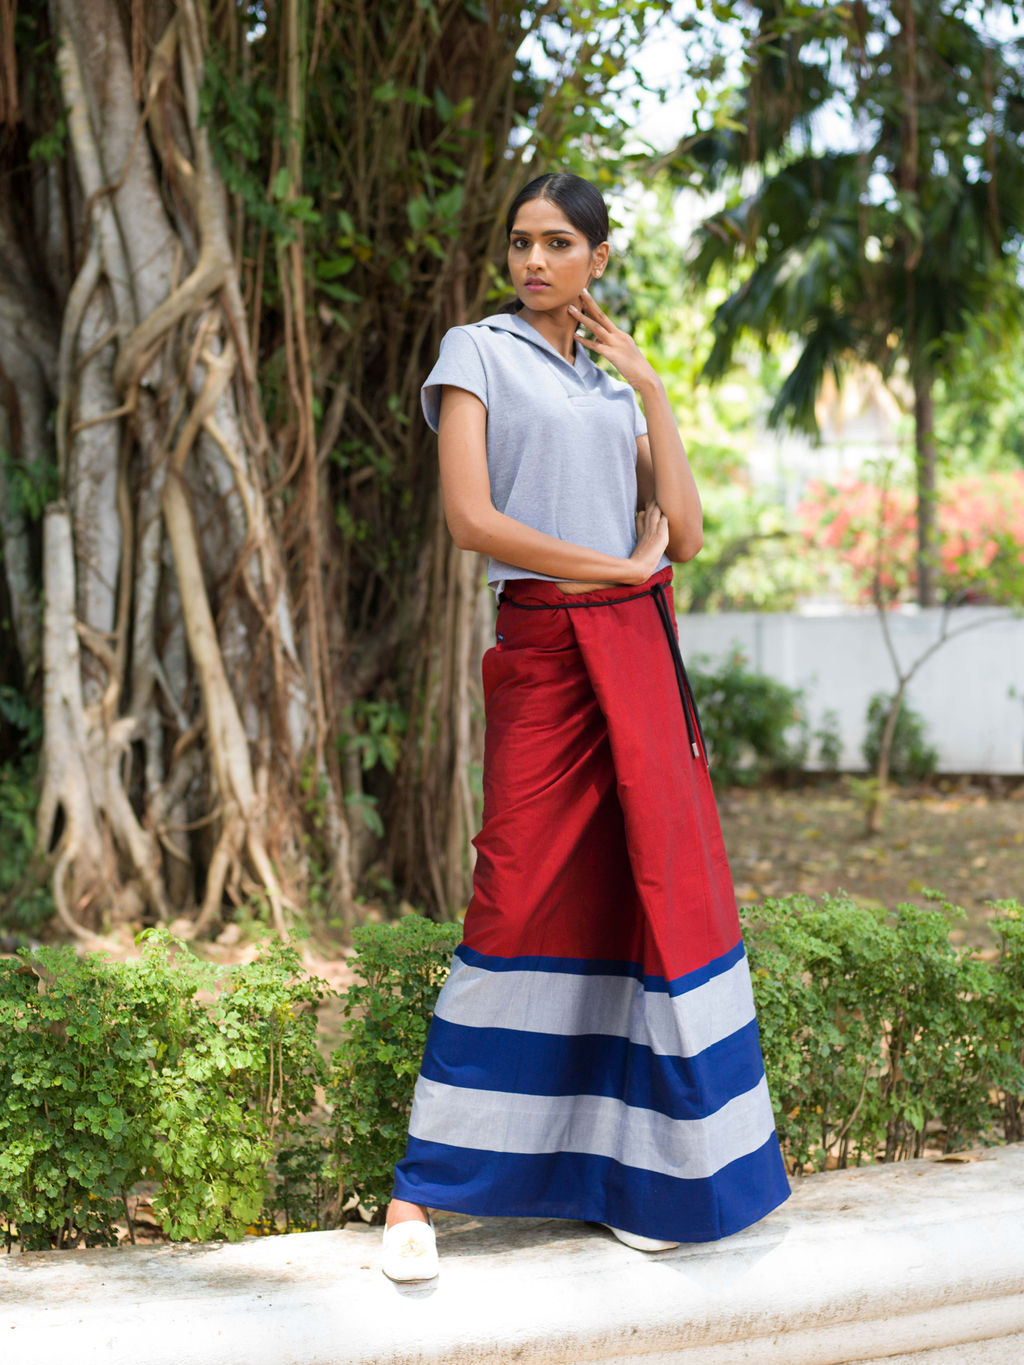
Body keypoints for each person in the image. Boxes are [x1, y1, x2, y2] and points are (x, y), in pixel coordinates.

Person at [381, 171, 790, 1282]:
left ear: (599, 258)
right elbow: (474, 517)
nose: (534, 261)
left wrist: (650, 386)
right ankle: (420, 1196)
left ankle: (640, 1177)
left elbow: (688, 535)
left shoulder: (611, 386)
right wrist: (613, 563)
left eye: (559, 243)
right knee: (513, 887)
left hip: (638, 654)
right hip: (548, 652)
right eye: (520, 241)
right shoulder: (475, 353)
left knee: (648, 897)